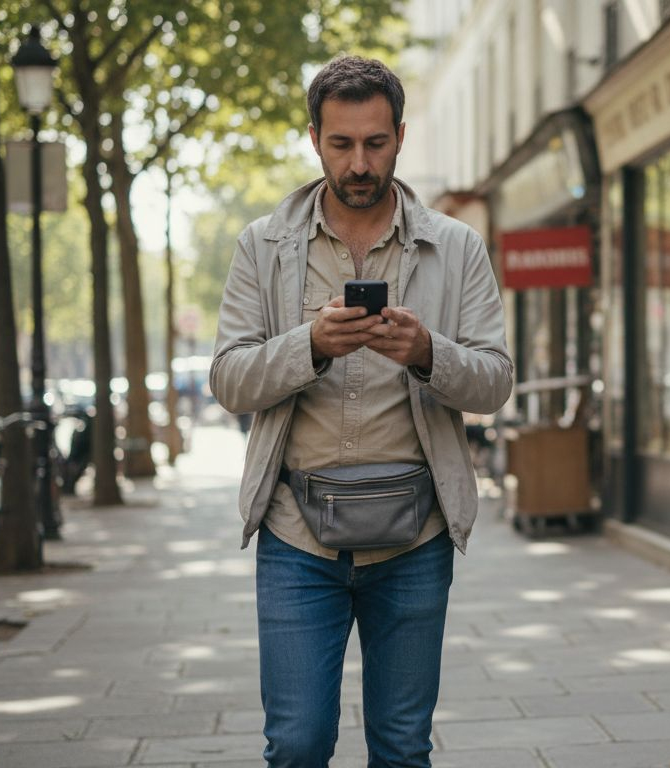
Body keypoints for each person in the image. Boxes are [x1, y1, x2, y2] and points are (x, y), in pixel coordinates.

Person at [209, 55, 512, 767]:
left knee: (403, 749)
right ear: (314, 137)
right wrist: (309, 345)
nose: (359, 164)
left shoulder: (457, 247)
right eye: (341, 143)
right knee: (297, 744)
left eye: (376, 143)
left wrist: (428, 352)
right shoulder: (262, 245)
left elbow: (495, 383)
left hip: (416, 539)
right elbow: (227, 380)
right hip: (296, 538)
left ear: (401, 135)